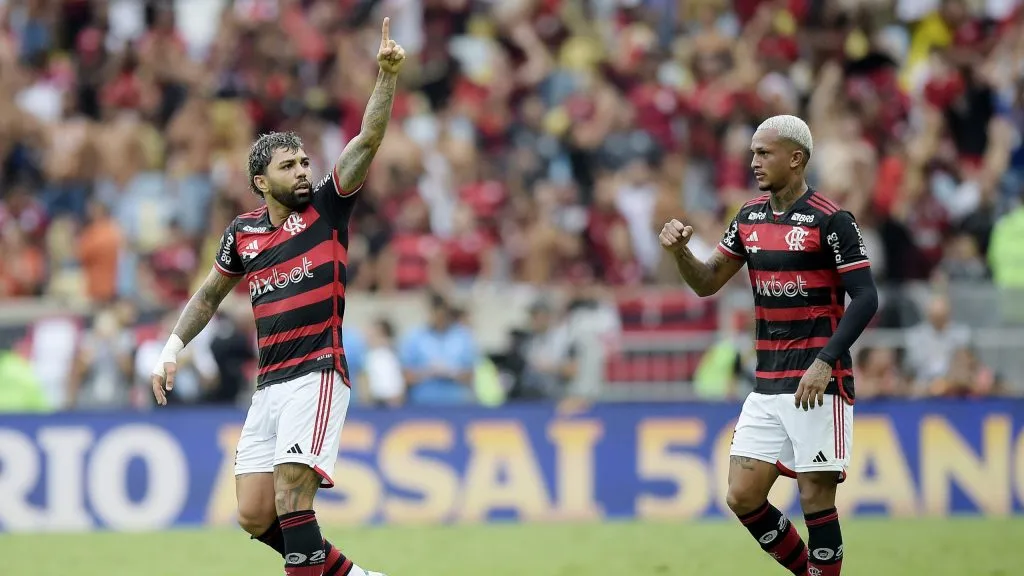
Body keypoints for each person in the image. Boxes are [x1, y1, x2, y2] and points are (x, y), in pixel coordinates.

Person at [149, 19, 405, 576]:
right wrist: (171, 347)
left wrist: (385, 77)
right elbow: (210, 294)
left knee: (293, 500)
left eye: (304, 162)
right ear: (262, 182)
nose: (303, 171)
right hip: (269, 384)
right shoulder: (243, 232)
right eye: (288, 166)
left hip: (316, 373)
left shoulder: (329, 208)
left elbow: (367, 140)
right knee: (254, 513)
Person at [659, 115, 878, 576]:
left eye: (764, 153)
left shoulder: (831, 220)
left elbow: (866, 297)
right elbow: (707, 283)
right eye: (753, 152)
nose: (753, 161)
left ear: (796, 158)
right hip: (767, 384)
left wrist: (825, 361)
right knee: (741, 494)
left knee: (815, 496)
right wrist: (681, 253)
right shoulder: (749, 217)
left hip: (819, 382)